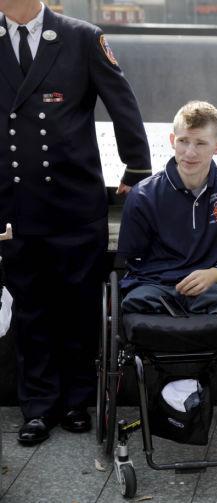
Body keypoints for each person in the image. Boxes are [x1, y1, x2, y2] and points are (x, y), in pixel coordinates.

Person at [0, 0, 152, 445]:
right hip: (13, 201)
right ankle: (39, 407)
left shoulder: (82, 37)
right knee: (29, 306)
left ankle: (76, 401)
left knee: (79, 305)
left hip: (72, 198)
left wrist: (137, 168)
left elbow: (121, 101)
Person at [118, 101, 217, 315]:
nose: (190, 152)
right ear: (173, 141)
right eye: (183, 141)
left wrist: (216, 274)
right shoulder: (142, 195)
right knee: (137, 301)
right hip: (155, 290)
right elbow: (133, 261)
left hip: (212, 290)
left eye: (201, 143)